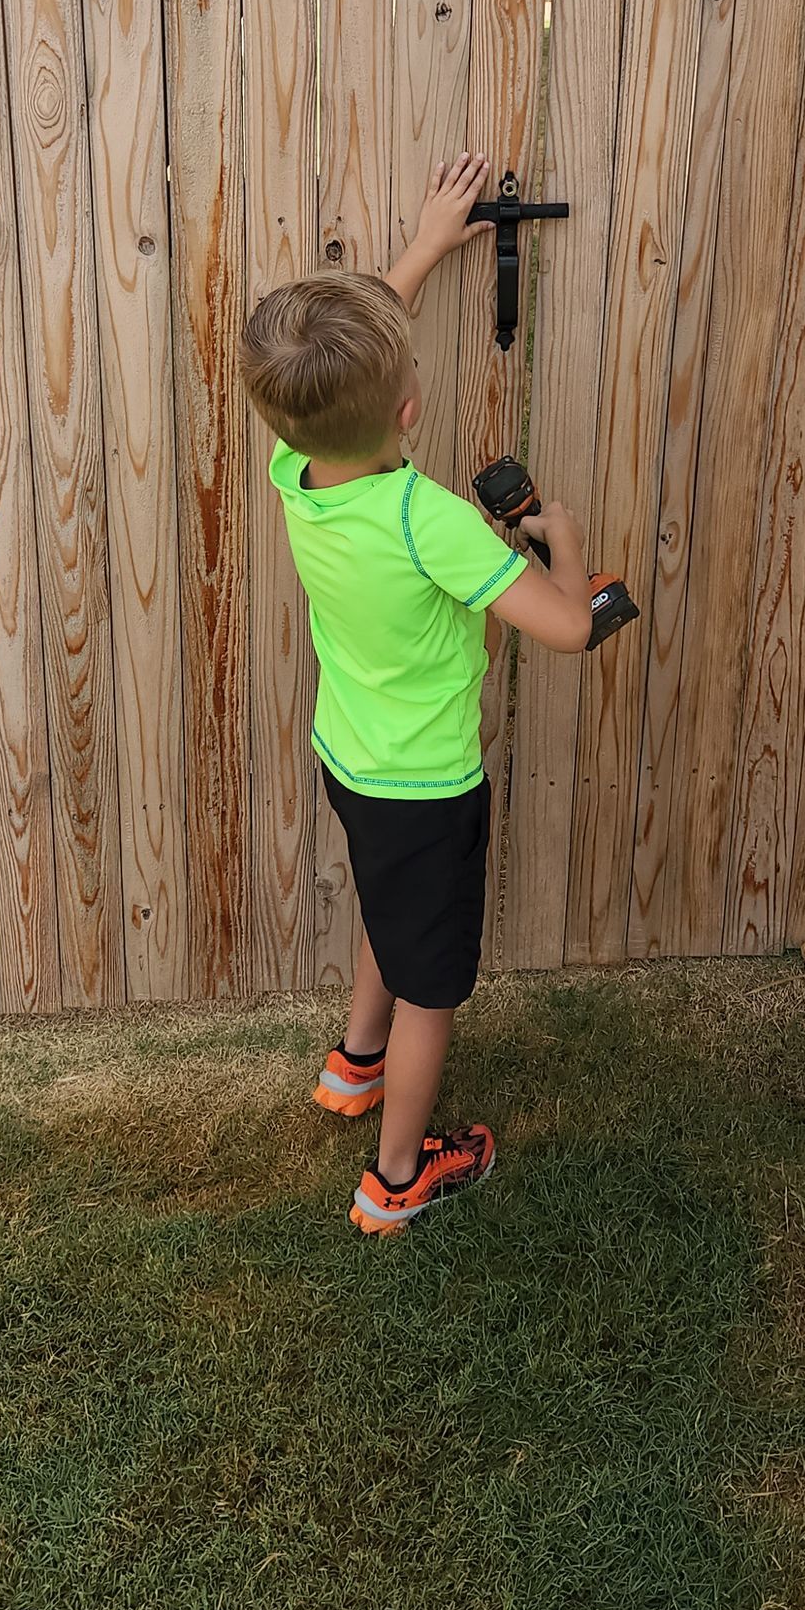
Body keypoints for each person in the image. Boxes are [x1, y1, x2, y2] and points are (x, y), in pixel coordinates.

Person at [239, 153, 595, 1235]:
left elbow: (332, 375)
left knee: (386, 913)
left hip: (352, 758)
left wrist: (425, 247)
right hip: (430, 784)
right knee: (434, 983)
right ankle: (397, 1174)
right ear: (410, 406)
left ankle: (354, 1065)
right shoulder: (429, 520)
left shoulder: (294, 472)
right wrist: (561, 542)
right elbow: (572, 626)